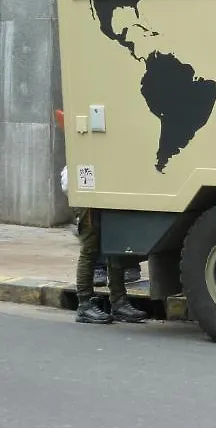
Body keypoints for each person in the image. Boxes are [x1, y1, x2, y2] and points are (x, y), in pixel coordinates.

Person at [56, 109, 148, 324]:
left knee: (114, 248)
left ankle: (118, 301)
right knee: (90, 250)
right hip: (86, 194)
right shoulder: (86, 128)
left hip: (103, 191)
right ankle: (85, 304)